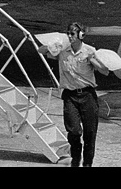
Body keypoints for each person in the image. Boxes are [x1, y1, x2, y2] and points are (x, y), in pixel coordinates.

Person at [42, 22, 109, 167]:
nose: (69, 36)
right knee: (74, 131)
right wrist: (53, 44)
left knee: (90, 133)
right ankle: (76, 159)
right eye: (68, 33)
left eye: (72, 34)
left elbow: (105, 71)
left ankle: (87, 164)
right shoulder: (63, 52)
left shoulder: (89, 51)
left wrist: (93, 60)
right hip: (70, 96)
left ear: (81, 35)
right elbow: (41, 51)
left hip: (87, 95)